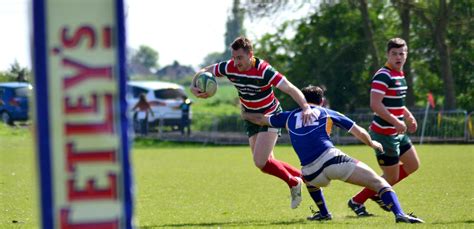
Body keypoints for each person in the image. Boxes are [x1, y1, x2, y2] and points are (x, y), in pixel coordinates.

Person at [242, 85, 424, 223]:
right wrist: (372, 143)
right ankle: (399, 214)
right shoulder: (327, 112)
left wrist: (245, 113)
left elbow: (260, 118)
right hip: (333, 161)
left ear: (302, 100)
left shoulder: (288, 116)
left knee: (307, 176)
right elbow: (358, 130)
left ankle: (323, 213)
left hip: (311, 174)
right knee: (379, 182)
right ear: (321, 101)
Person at [190, 36, 317, 209]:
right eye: (234, 57)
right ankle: (307, 178)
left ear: (251, 54)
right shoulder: (229, 67)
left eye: (240, 58)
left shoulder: (264, 69)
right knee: (266, 164)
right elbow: (205, 70)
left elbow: (289, 87)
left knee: (260, 161)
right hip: (250, 117)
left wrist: (305, 107)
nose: (236, 62)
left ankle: (294, 182)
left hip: (270, 115)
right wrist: (193, 84)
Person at [347, 38, 421, 216]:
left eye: (401, 53)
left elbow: (396, 102)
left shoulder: (400, 75)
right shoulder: (383, 75)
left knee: (413, 164)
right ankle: (357, 201)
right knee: (391, 177)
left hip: (397, 132)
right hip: (383, 135)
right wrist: (396, 121)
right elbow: (376, 104)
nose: (398, 57)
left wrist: (408, 116)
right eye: (394, 54)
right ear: (387, 54)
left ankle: (377, 192)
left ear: (406, 55)